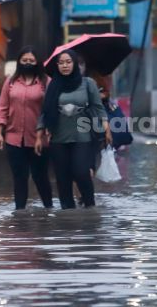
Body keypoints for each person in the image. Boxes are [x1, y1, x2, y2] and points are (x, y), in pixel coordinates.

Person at [35, 49, 111, 209]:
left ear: (75, 64)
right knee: (62, 178)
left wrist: (106, 128)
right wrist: (39, 134)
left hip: (82, 135)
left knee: (81, 171)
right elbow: (46, 111)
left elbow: (98, 108)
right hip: (58, 137)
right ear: (57, 65)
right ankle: (67, 214)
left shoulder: (87, 83)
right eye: (61, 63)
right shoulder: (53, 85)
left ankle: (90, 205)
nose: (65, 66)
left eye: (68, 62)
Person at [0, 46, 53, 210]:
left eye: (31, 61)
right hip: (13, 138)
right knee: (19, 177)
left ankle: (49, 208)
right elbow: (2, 108)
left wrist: (47, 131)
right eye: (24, 60)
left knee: (40, 176)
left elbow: (50, 110)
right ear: (19, 62)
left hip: (39, 139)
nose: (28, 63)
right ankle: (20, 213)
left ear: (37, 62)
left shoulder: (46, 82)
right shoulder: (10, 82)